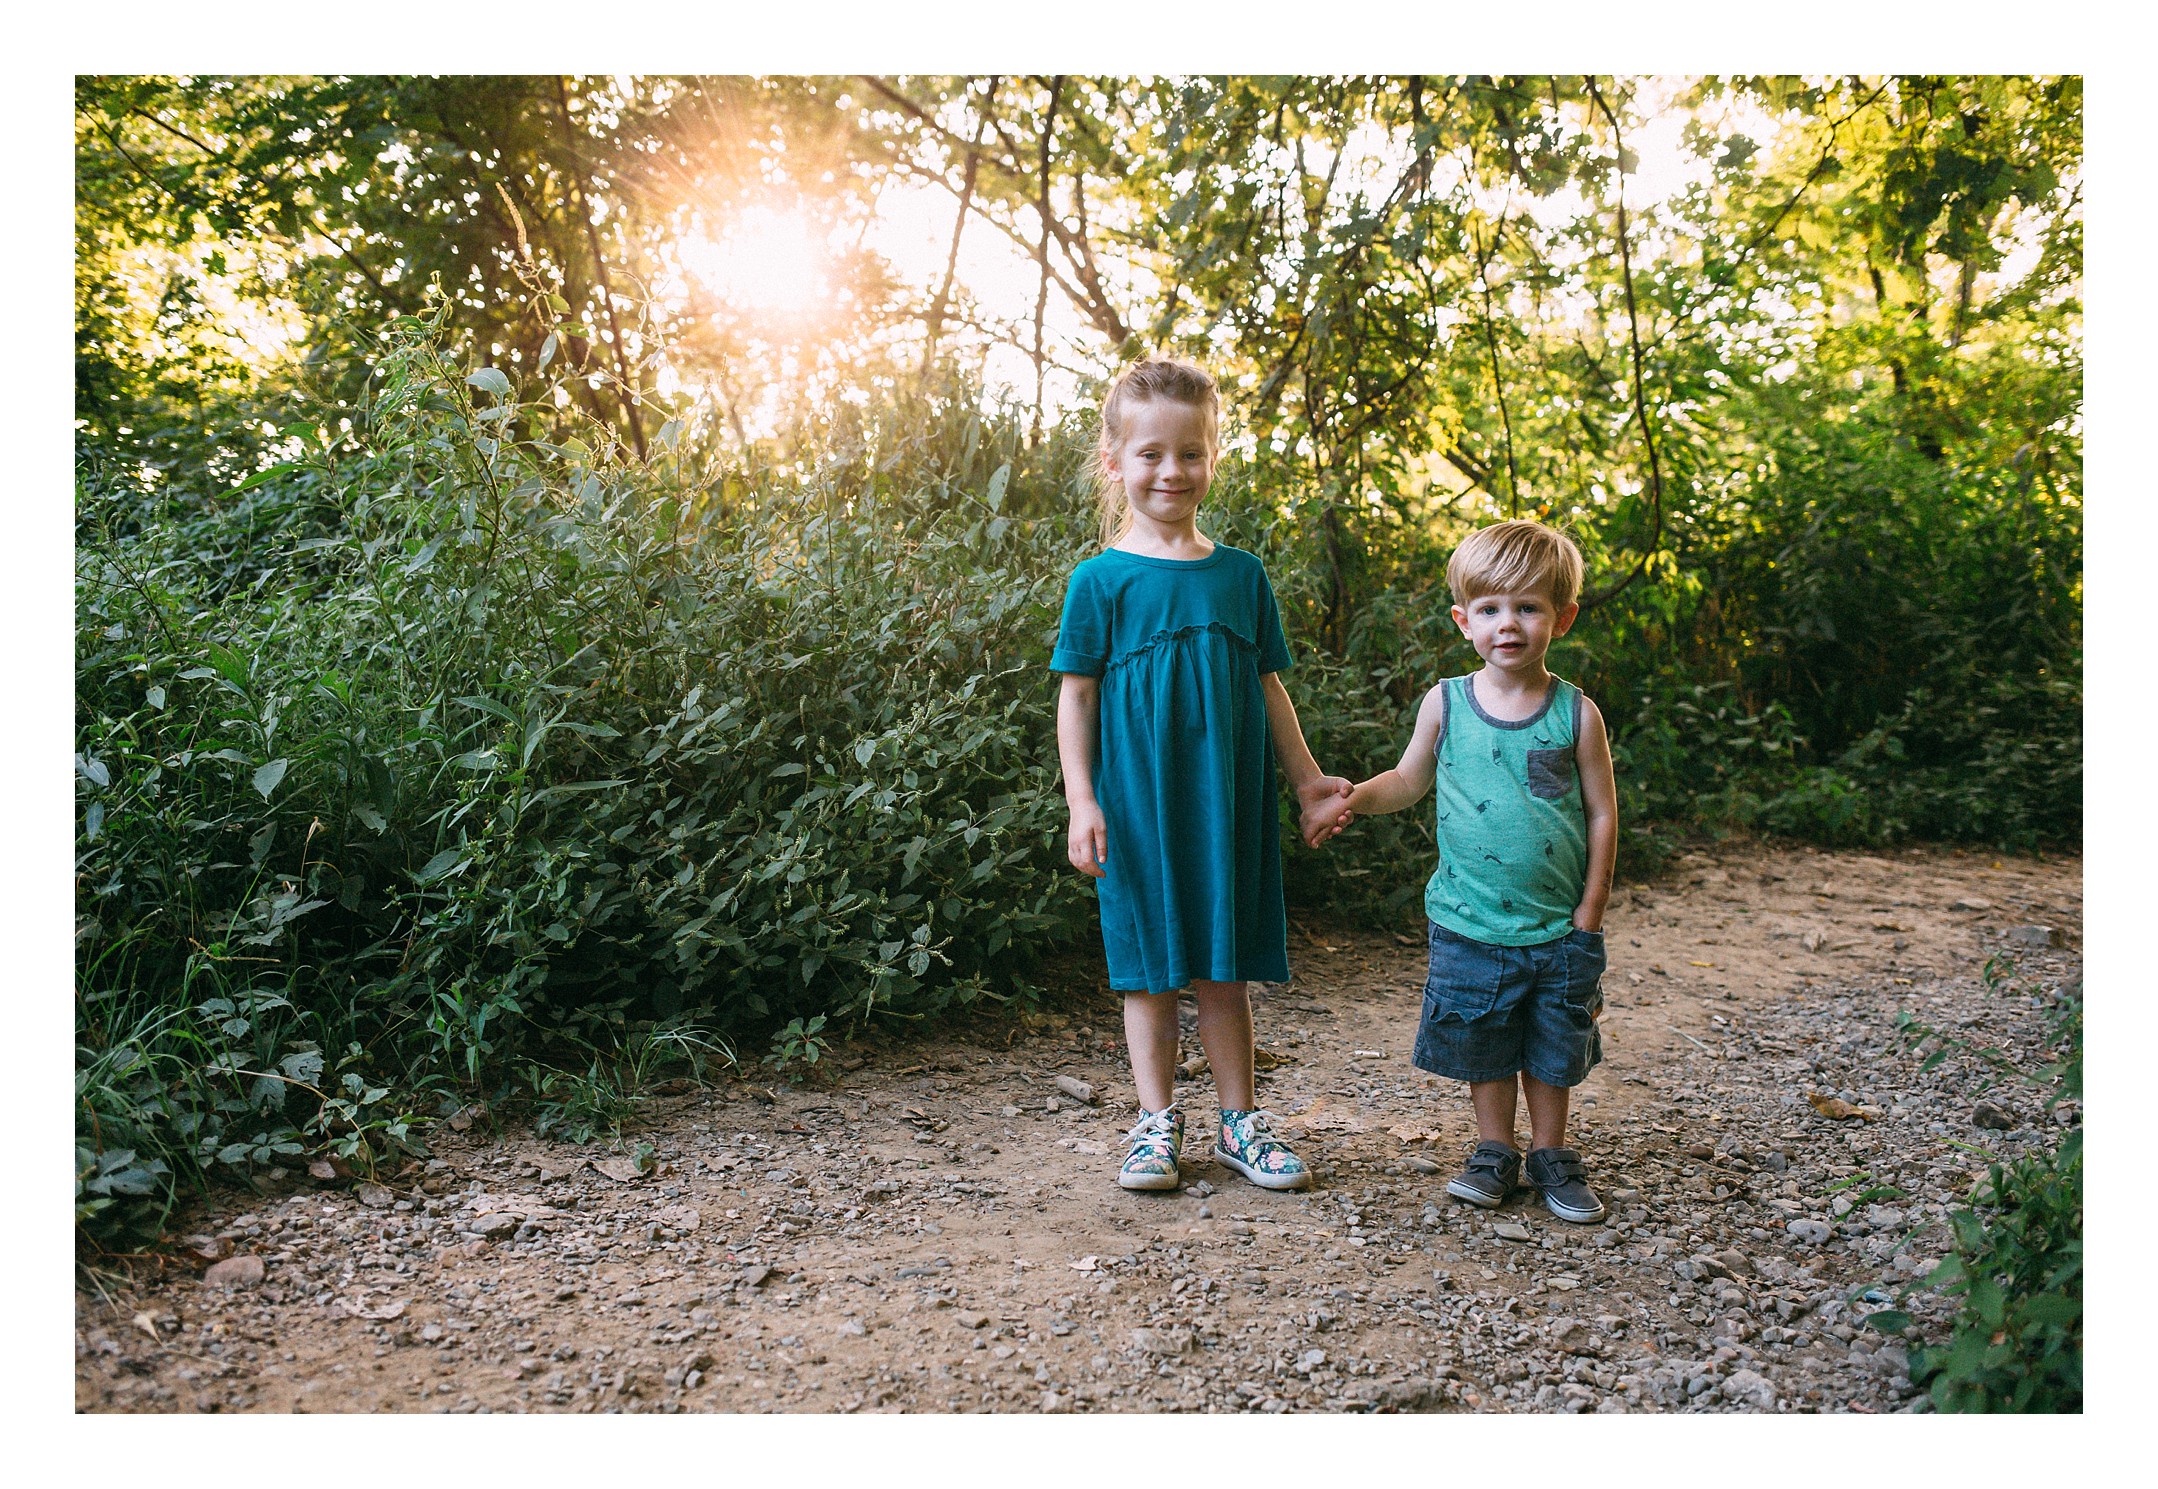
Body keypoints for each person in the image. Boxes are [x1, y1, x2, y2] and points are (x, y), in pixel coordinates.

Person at [1051, 357, 1353, 1193]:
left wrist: (1307, 781)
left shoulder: (1240, 575)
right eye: (1151, 454)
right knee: (1149, 968)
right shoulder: (1100, 581)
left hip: (1225, 804)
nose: (1171, 471)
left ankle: (1238, 1123)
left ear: (1211, 457)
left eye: (1190, 452)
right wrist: (1083, 799)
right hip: (1136, 808)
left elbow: (1268, 689)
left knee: (1223, 966)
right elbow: (1076, 701)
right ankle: (1154, 1126)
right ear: (1115, 460)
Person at [1337, 519, 1619, 1222]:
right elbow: (1406, 779)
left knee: (1553, 1045)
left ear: (1563, 616)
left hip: (1558, 926)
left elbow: (1602, 815)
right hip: (1469, 923)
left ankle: (1551, 1153)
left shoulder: (1576, 714)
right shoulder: (1446, 704)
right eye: (1491, 609)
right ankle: (1495, 1148)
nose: (1509, 624)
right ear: (1465, 620)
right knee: (1485, 1040)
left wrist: (1590, 911)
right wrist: (1353, 797)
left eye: (1528, 607)